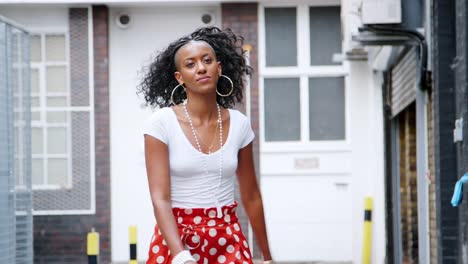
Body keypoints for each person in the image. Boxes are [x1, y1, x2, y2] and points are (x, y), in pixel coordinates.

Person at [138, 27, 273, 264]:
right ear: (180, 77)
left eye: (207, 61)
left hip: (228, 239)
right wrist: (181, 256)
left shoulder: (240, 124)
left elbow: (251, 196)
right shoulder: (162, 123)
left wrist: (267, 257)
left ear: (219, 68)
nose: (201, 68)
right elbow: (160, 198)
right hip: (177, 241)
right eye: (190, 64)